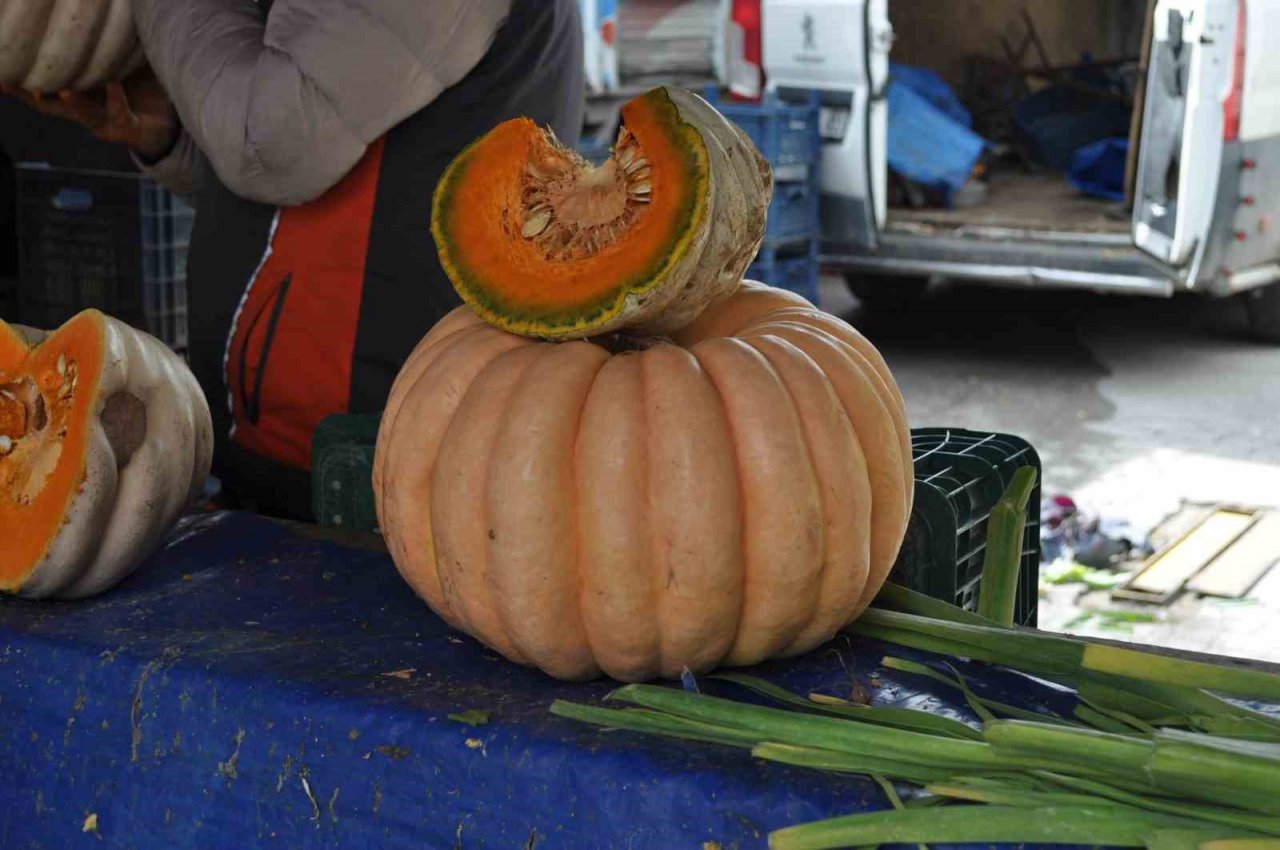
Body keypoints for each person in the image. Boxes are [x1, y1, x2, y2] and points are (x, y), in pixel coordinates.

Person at [3, 0, 584, 520]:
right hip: (303, 467)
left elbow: (271, 145)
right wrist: (171, 139)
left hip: (384, 477)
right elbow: (307, 187)